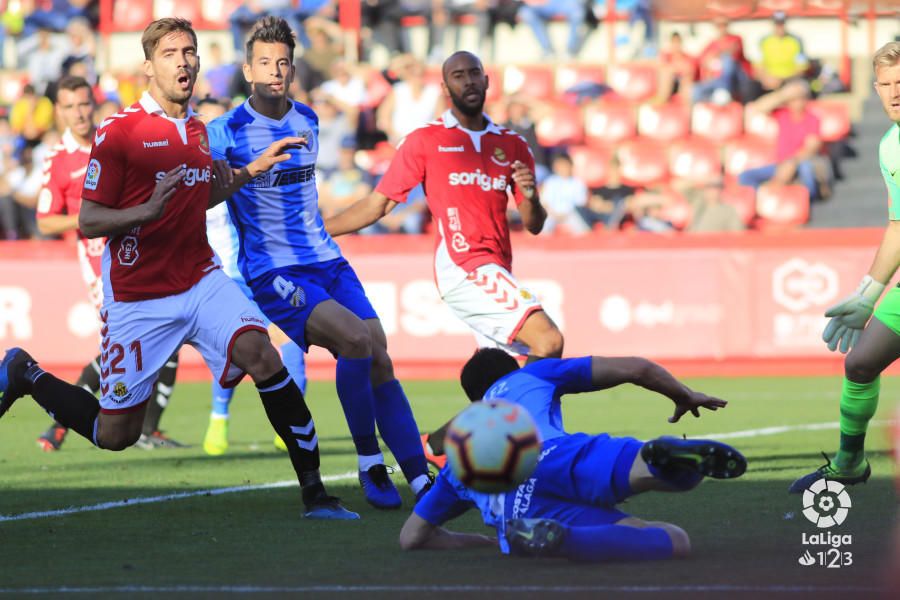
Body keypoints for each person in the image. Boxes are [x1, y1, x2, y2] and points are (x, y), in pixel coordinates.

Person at [0, 17, 354, 520]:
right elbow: (89, 218)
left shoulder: (196, 130)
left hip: (200, 278)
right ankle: (23, 372)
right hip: (140, 295)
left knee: (264, 356)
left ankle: (317, 494)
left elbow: (199, 195)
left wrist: (250, 171)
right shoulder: (120, 132)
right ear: (148, 66)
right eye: (170, 53)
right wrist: (144, 212)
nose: (183, 61)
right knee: (115, 434)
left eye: (189, 51)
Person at [206, 16, 432, 509]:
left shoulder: (307, 118)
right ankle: (371, 462)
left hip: (326, 258)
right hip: (274, 271)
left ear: (292, 68)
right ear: (247, 70)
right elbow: (201, 197)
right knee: (353, 340)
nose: (274, 71)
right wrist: (251, 169)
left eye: (282, 62)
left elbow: (306, 198)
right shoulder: (224, 132)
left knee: (378, 351)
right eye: (264, 62)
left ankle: (418, 478)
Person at [326, 51, 564, 460]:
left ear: (487, 82)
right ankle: (548, 444)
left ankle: (442, 446)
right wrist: (317, 231)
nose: (468, 81)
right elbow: (380, 204)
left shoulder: (511, 145)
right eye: (459, 75)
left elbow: (534, 222)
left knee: (505, 380)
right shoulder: (426, 140)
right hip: (464, 264)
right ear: (445, 87)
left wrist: (532, 196)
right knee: (548, 340)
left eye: (475, 73)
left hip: (495, 265)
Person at [399, 348, 747, 561]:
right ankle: (661, 459)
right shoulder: (533, 375)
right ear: (513, 372)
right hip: (554, 454)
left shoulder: (458, 462)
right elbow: (637, 369)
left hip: (522, 512)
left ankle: (567, 540)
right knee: (647, 470)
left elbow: (412, 537)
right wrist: (682, 394)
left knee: (671, 539)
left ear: (475, 403)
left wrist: (484, 541)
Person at [33, 75, 185, 452]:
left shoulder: (115, 138)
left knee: (166, 337)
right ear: (58, 112)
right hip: (100, 262)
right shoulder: (58, 159)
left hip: (139, 251)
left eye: (84, 103)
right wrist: (92, 216)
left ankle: (145, 428)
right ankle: (63, 420)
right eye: (69, 107)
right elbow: (45, 220)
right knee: (128, 343)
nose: (80, 113)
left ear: (93, 102)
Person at [789, 41, 900, 493]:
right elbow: (898, 225)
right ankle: (849, 463)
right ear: (875, 88)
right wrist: (868, 295)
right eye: (887, 84)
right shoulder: (891, 146)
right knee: (860, 363)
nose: (895, 93)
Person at [738, 79, 825, 201]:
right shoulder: (782, 114)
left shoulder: (812, 119)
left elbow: (811, 147)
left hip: (798, 163)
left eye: (800, 97)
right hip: (779, 164)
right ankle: (761, 201)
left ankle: (808, 199)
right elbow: (757, 108)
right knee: (745, 176)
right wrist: (783, 94)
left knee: (806, 168)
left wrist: (791, 163)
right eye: (793, 98)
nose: (797, 102)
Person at [757, 11, 808, 92]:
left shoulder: (796, 41)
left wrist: (781, 80)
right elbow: (758, 67)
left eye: (782, 23)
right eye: (777, 23)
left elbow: (801, 69)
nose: (780, 26)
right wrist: (766, 79)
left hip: (790, 81)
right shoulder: (764, 41)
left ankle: (761, 104)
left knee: (796, 93)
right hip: (769, 81)